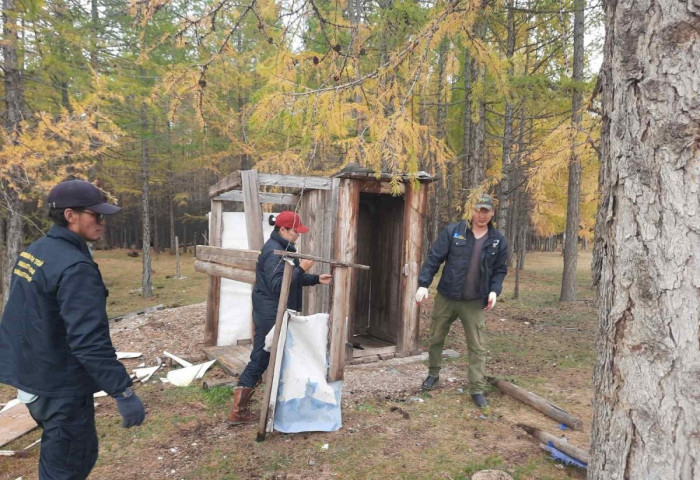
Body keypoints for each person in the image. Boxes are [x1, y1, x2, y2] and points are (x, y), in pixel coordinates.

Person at [0, 179, 146, 480]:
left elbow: (21, 315)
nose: (102, 222)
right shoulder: (75, 267)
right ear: (71, 215)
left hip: (32, 379)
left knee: (62, 460)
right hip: (58, 387)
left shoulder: (37, 250)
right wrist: (123, 390)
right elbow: (89, 341)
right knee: (69, 465)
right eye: (96, 215)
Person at [228, 210, 332, 425]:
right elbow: (278, 285)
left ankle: (271, 404)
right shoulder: (273, 251)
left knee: (270, 357)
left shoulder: (282, 248)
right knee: (261, 358)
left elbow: (289, 280)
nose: (298, 235)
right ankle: (239, 411)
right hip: (270, 313)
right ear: (282, 229)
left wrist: (314, 279)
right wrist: (301, 268)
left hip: (274, 310)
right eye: (295, 231)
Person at [415, 194, 508, 408]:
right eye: (478, 210)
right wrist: (423, 283)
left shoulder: (497, 240)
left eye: (486, 210)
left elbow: (500, 270)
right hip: (447, 296)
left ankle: (477, 388)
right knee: (436, 337)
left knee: (477, 346)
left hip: (475, 301)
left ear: (492, 213)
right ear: (471, 211)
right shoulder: (454, 231)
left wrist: (494, 291)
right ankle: (433, 374)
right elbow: (434, 258)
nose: (481, 215)